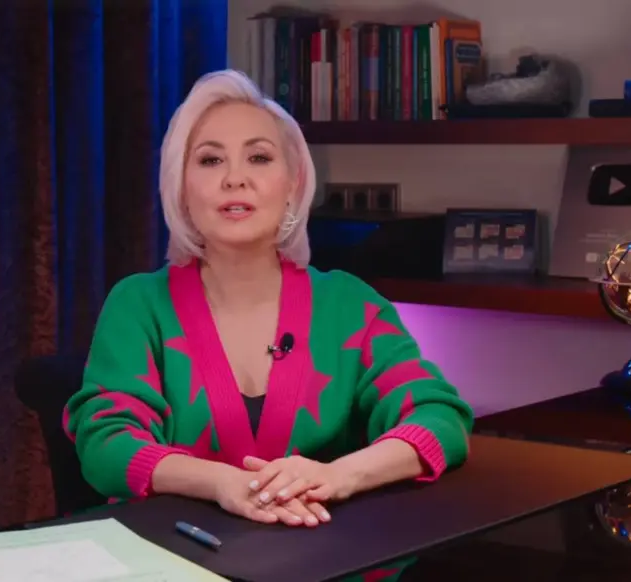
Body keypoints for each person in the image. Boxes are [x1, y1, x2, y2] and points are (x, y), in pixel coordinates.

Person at [63, 68, 473, 551]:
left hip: (325, 560)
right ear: (181, 188)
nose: (235, 179)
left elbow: (439, 419)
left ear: (293, 184)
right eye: (210, 160)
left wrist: (339, 476)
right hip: (175, 558)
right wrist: (221, 483)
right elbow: (106, 445)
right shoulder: (137, 304)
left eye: (258, 157)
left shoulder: (350, 305)